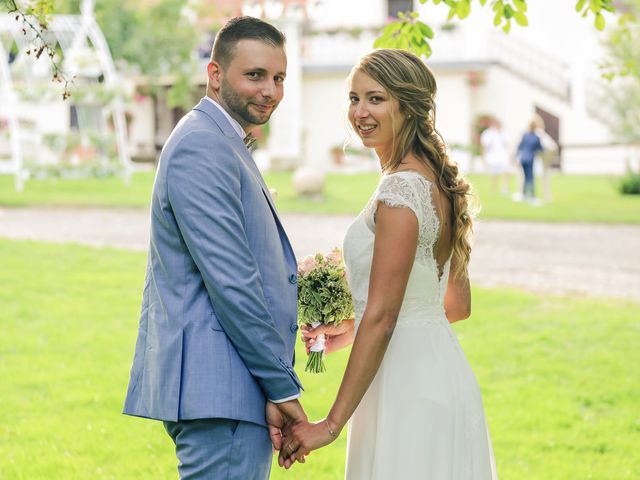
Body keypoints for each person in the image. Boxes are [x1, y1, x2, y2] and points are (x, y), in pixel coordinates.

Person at [285, 49, 497, 479]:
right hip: (439, 374)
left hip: (407, 390)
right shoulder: (438, 183)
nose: (360, 112)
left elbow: (383, 316)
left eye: (375, 99)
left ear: (408, 105)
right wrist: (348, 332)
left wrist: (329, 425)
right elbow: (453, 305)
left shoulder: (402, 191)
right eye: (353, 98)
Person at [122, 16, 307, 480]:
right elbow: (232, 283)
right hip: (217, 388)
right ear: (216, 74)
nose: (270, 90)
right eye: (255, 75)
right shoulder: (202, 145)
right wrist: (283, 389)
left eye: (278, 77)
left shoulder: (224, 141)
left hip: (233, 389)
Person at [480, 118, 511, 194]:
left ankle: (505, 188)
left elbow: (508, 145)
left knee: (505, 171)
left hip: (503, 156)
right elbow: (484, 146)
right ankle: (494, 189)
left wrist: (509, 155)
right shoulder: (488, 133)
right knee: (493, 173)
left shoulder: (504, 133)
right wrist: (484, 157)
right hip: (492, 156)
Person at [516, 120, 544, 204]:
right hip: (530, 159)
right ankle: (532, 197)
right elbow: (540, 149)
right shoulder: (536, 137)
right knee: (530, 178)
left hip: (523, 159)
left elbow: (520, 146)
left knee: (526, 177)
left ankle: (524, 195)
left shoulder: (525, 135)